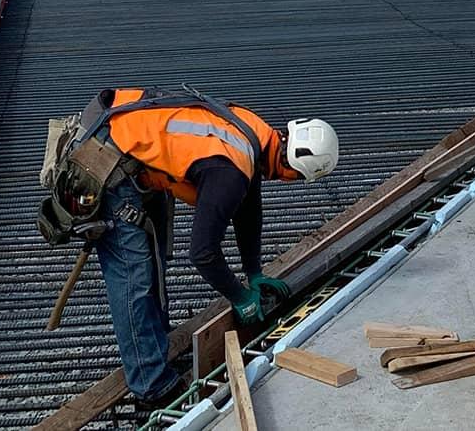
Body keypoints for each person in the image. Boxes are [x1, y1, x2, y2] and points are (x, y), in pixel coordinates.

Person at [48, 86, 338, 407]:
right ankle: (151, 386)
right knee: (135, 278)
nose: (287, 181)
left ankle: (154, 347)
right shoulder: (230, 170)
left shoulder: (256, 135)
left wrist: (254, 272)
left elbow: (249, 208)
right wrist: (239, 297)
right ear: (294, 167)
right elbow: (203, 253)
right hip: (107, 160)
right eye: (295, 178)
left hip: (133, 147)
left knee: (153, 266)